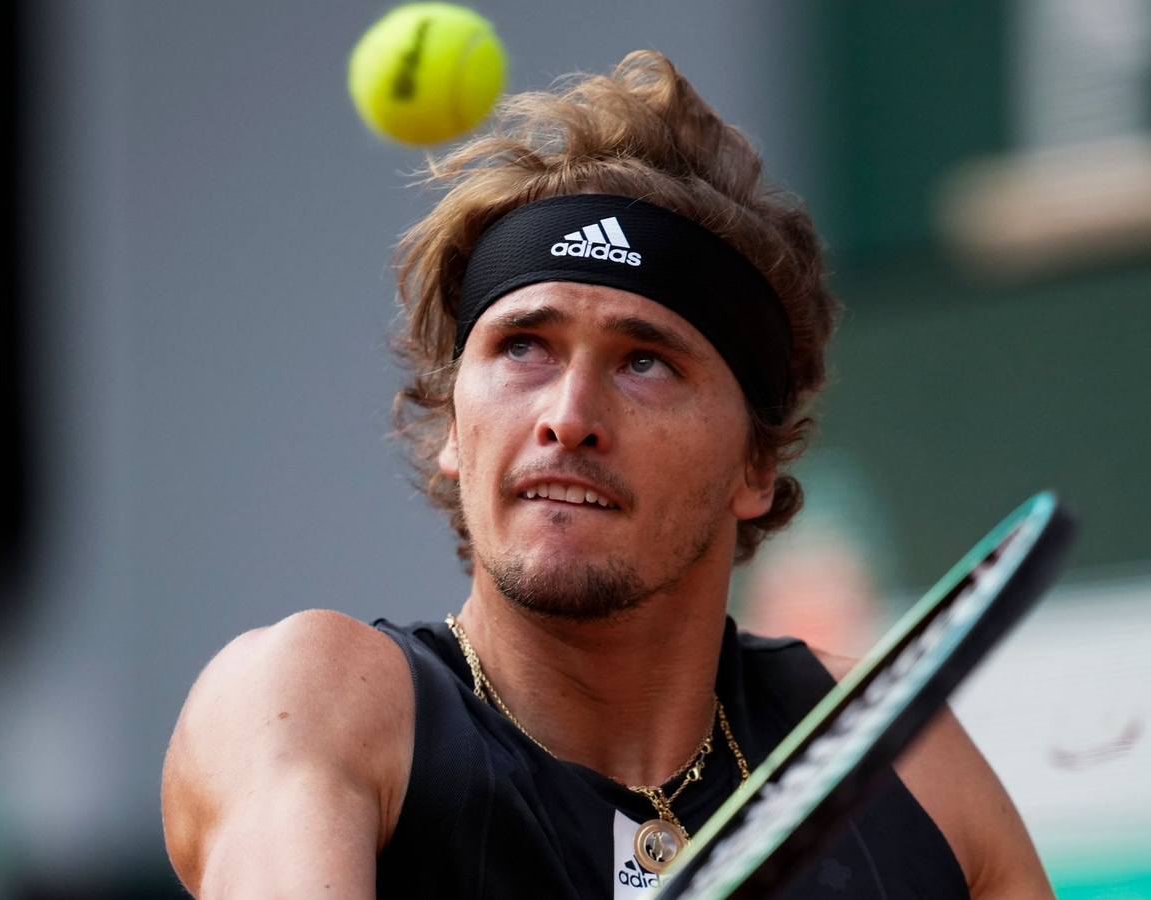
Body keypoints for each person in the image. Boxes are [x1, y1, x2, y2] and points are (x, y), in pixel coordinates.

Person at [161, 51, 1054, 899]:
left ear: (755, 463)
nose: (569, 415)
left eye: (645, 363)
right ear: (454, 429)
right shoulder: (309, 700)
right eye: (523, 347)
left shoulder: (902, 761)